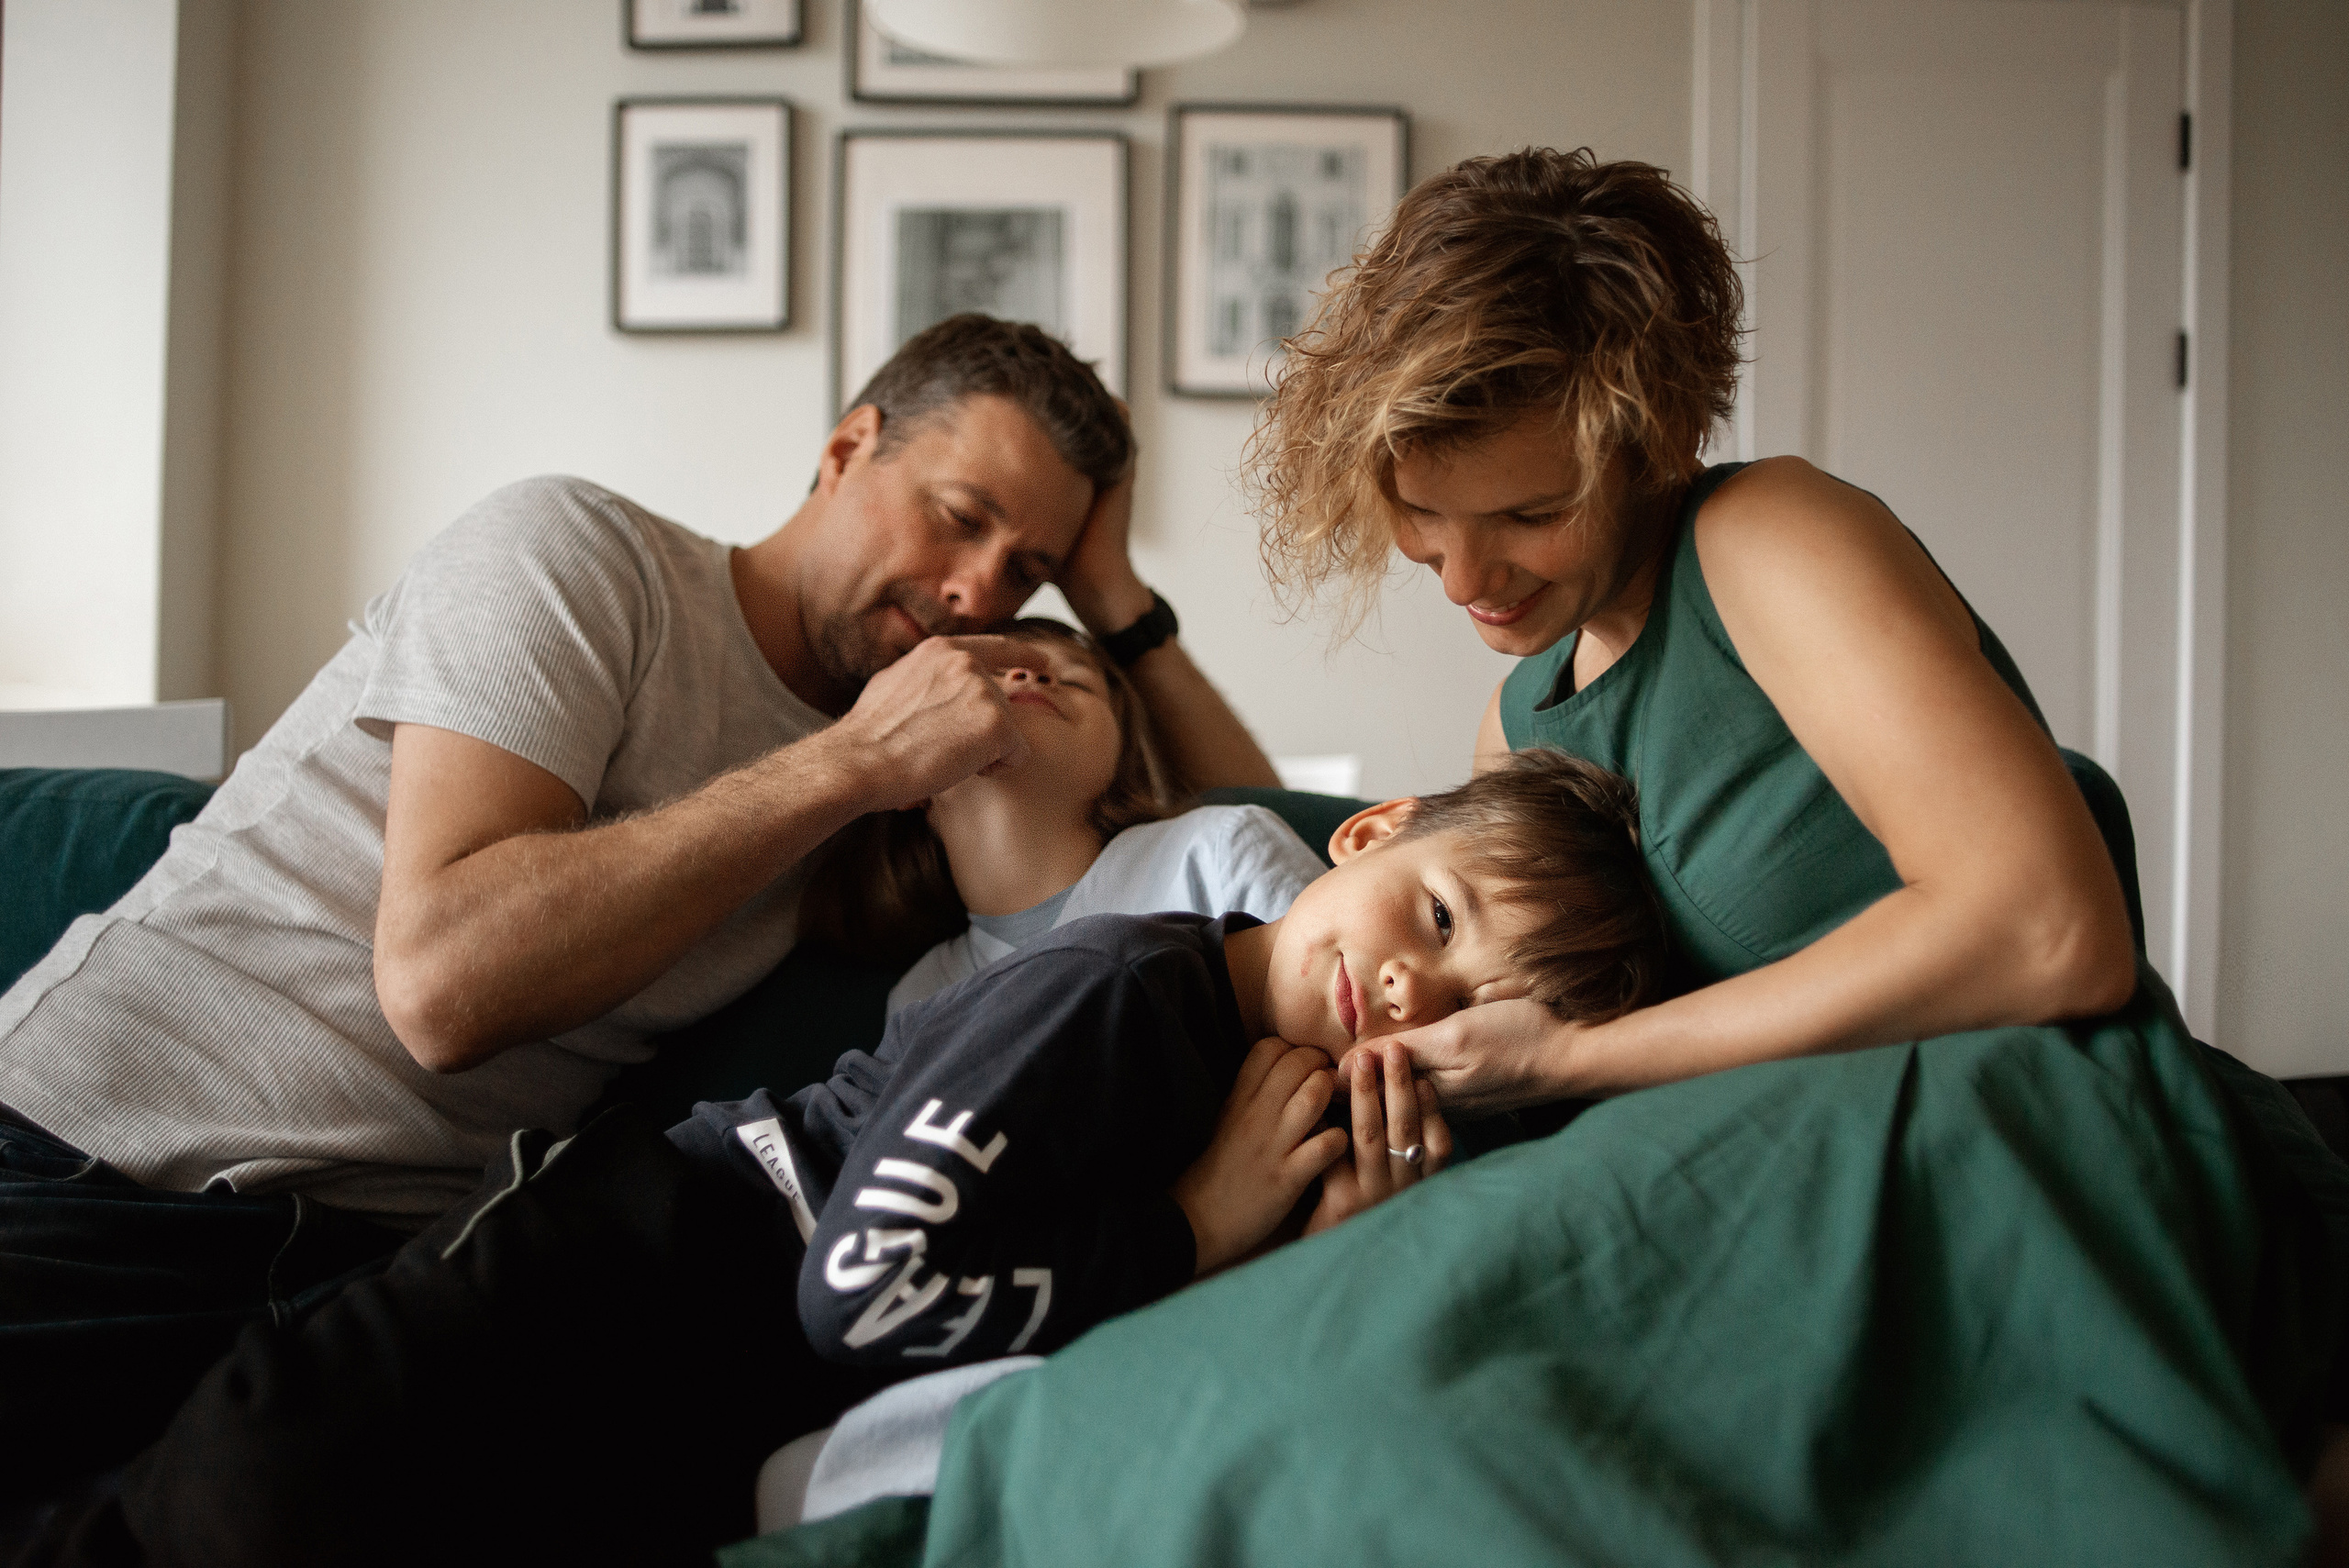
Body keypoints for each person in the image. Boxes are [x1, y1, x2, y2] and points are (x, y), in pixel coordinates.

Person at [0, 314, 1279, 1505]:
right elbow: (443, 983)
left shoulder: (910, 775)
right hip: (105, 1165)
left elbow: (1271, 832)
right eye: (961, 517)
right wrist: (848, 765)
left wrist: (1112, 593)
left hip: (361, 1285)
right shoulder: (582, 554)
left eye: (1028, 567)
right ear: (847, 447)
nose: (979, 589)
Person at [1246, 148, 2349, 1478]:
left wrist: (1576, 1060)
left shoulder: (1768, 537)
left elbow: (2055, 936)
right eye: (1425, 518)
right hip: (1817, 1224)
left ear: (1649, 434)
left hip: (2060, 1184)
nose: (1465, 577)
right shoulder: (1523, 721)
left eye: (1530, 514)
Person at [29, 749, 1672, 1568]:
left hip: (654, 1406)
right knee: (213, 1524)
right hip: (581, 1294)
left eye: (1468, 1009)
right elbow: (867, 1283)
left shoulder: (1258, 1089)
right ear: (1366, 835)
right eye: (1437, 919)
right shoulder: (1130, 992)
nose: (1411, 986)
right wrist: (1187, 1232)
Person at [796, 616, 1327, 1018]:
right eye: (987, 677)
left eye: (1073, 681)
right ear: (913, 781)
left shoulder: (1219, 848)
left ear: (1121, 756)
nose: (1027, 675)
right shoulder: (921, 1000)